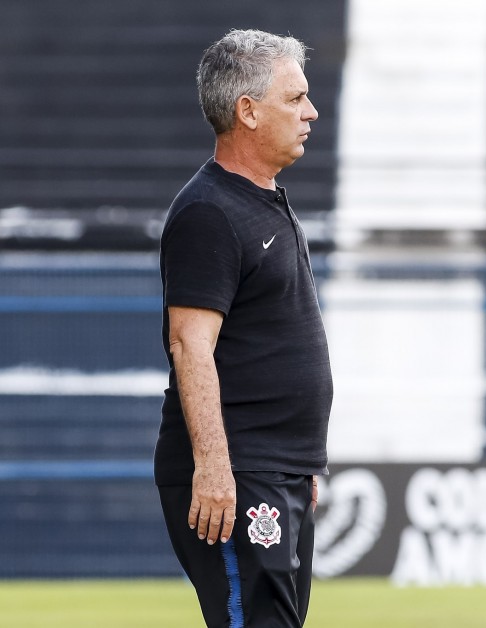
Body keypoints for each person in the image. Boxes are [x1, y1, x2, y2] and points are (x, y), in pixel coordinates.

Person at [155, 28, 332, 627]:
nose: (311, 112)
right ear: (247, 111)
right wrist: (214, 466)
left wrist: (302, 461)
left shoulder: (264, 200)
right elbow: (190, 344)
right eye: (295, 98)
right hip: (237, 473)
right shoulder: (211, 211)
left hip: (275, 469)